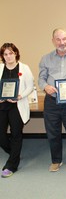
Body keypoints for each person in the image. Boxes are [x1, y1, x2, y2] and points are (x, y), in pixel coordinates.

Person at [38, 28, 66, 172]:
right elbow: (41, 78)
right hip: (52, 101)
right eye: (58, 39)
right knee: (53, 133)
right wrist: (45, 87)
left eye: (64, 39)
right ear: (53, 41)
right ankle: (56, 160)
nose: (61, 42)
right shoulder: (45, 58)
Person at [0, 43, 34, 178]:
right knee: (1, 135)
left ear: (16, 53)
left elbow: (30, 86)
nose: (8, 56)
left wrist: (20, 96)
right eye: (5, 54)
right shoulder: (0, 68)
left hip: (17, 106)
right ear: (3, 56)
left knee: (16, 134)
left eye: (11, 53)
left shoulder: (24, 68)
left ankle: (12, 164)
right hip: (2, 106)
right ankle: (14, 152)